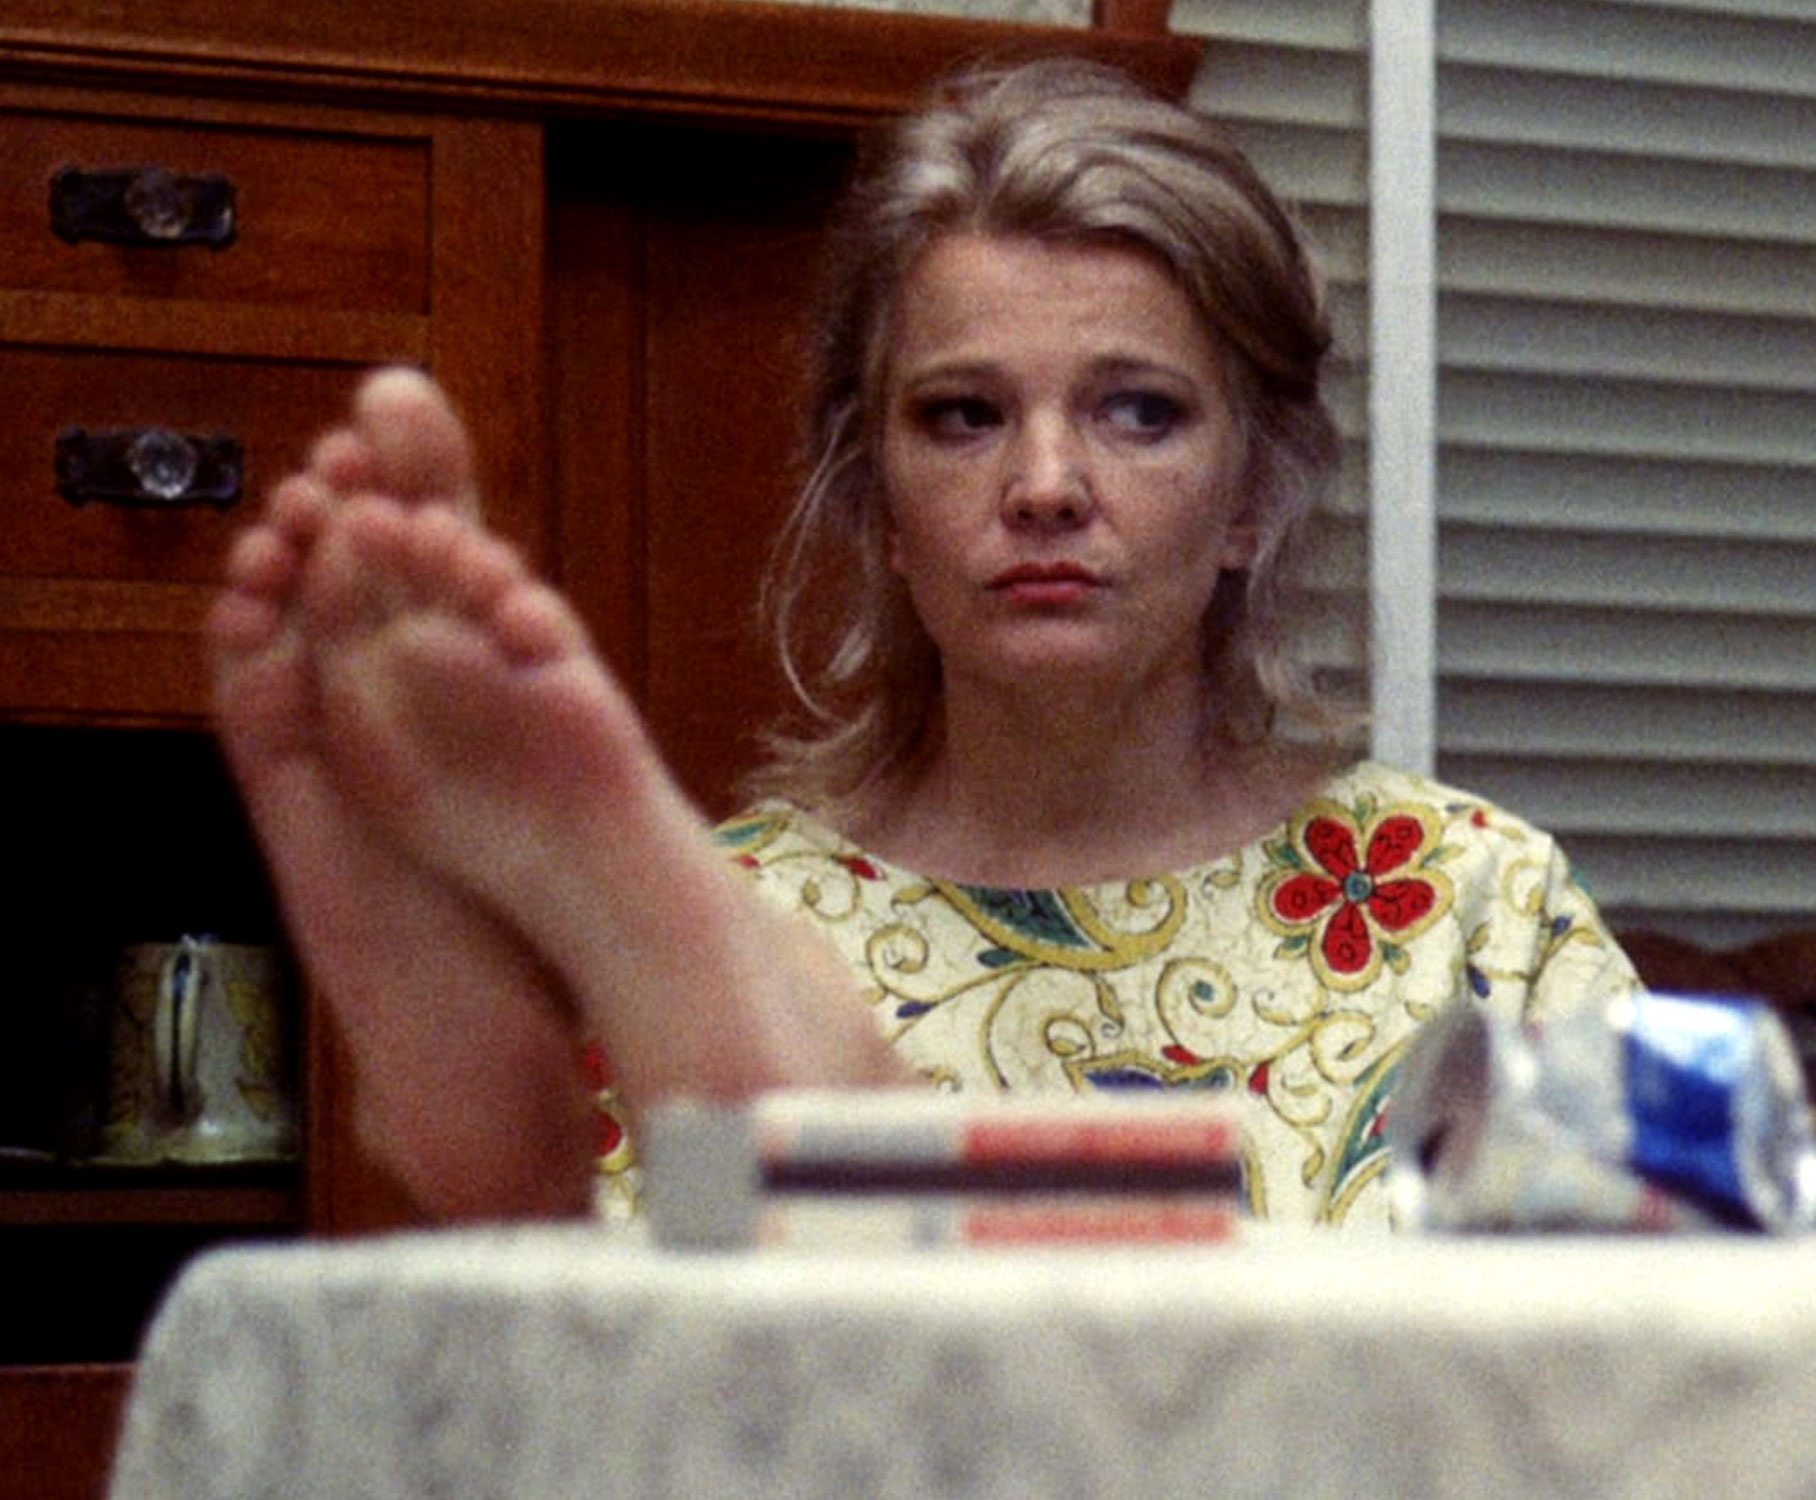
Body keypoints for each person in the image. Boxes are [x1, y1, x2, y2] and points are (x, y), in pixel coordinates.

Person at [208, 58, 1637, 1229]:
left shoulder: (1472, 907)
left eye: (1139, 410)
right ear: (878, 504)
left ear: (1257, 494)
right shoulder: (762, 915)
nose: (1045, 486)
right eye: (964, 416)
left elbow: (1687, 1380)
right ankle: (540, 1179)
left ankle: (554, 1184)